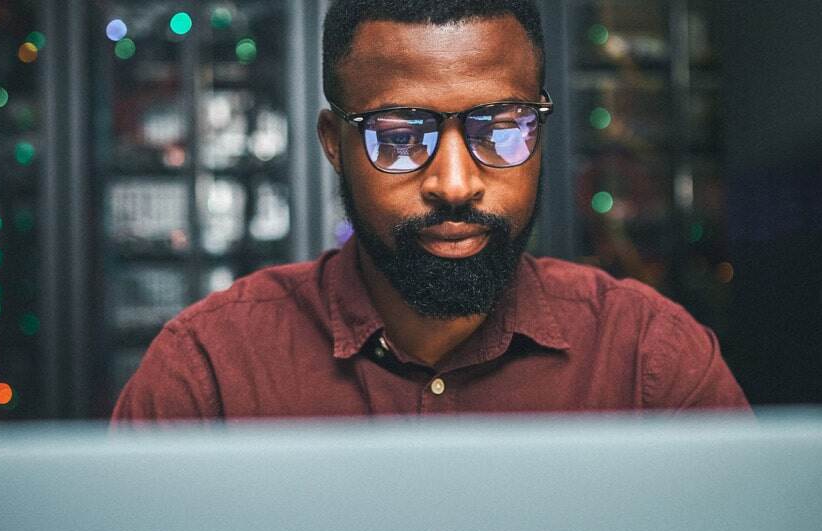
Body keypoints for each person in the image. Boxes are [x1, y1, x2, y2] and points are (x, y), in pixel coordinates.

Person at [112, 0, 749, 423]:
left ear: (539, 133)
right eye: (397, 134)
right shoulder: (210, 375)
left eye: (500, 128)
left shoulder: (649, 363)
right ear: (335, 145)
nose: (454, 183)